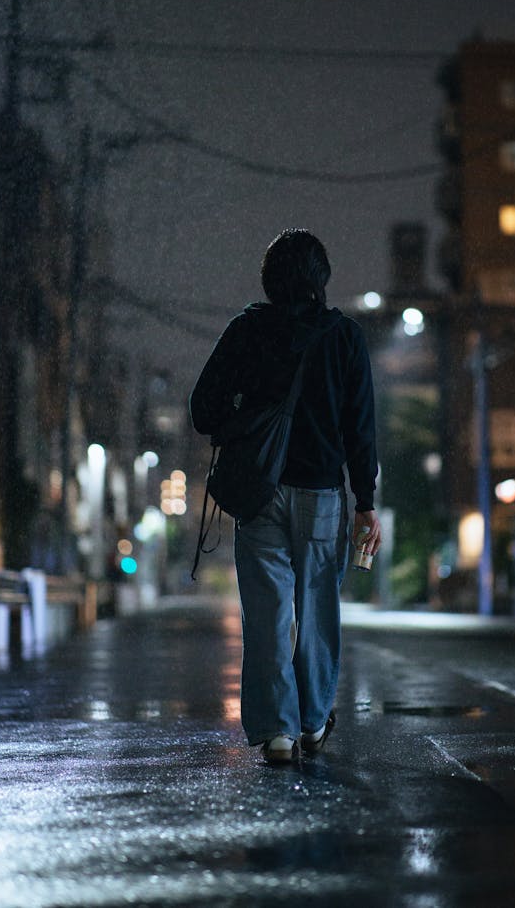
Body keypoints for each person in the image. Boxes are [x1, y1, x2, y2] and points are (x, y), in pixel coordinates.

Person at [190, 229, 380, 763]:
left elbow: (203, 408)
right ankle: (314, 721)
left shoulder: (247, 330)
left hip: (260, 492)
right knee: (318, 609)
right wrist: (365, 502)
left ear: (269, 278)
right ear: (321, 279)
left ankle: (276, 729)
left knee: (268, 611)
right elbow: (361, 428)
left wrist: (244, 425)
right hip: (322, 493)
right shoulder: (345, 338)